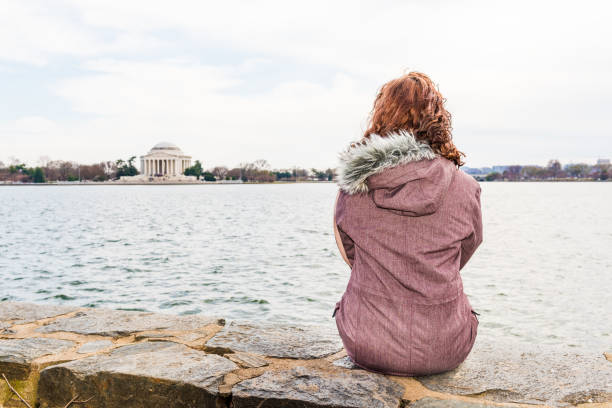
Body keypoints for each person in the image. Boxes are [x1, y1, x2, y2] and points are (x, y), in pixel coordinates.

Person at [332, 72, 482, 376]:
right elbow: (466, 248)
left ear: (381, 116)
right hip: (444, 346)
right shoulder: (466, 187)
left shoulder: (354, 187)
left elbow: (350, 251)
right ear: (438, 121)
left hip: (366, 342)